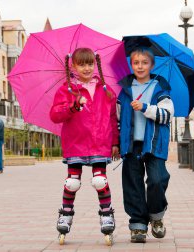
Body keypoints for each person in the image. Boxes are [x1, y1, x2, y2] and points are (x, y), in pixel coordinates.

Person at [50, 48, 119, 244]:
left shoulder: (105, 90)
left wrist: (115, 142)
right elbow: (54, 115)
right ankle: (66, 214)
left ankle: (107, 214)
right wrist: (72, 107)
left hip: (100, 143)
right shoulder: (67, 90)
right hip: (76, 143)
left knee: (100, 181)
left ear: (95, 65)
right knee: (72, 182)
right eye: (82, 64)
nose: (86, 68)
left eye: (90, 64)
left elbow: (113, 118)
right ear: (73, 66)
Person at [117, 47, 174, 243]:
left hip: (154, 144)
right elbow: (117, 120)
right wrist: (116, 143)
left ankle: (156, 217)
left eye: (144, 62)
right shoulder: (124, 90)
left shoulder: (160, 88)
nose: (140, 66)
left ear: (151, 65)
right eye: (136, 62)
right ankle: (138, 225)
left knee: (158, 179)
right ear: (131, 64)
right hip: (131, 145)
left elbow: (167, 116)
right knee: (132, 183)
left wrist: (145, 108)